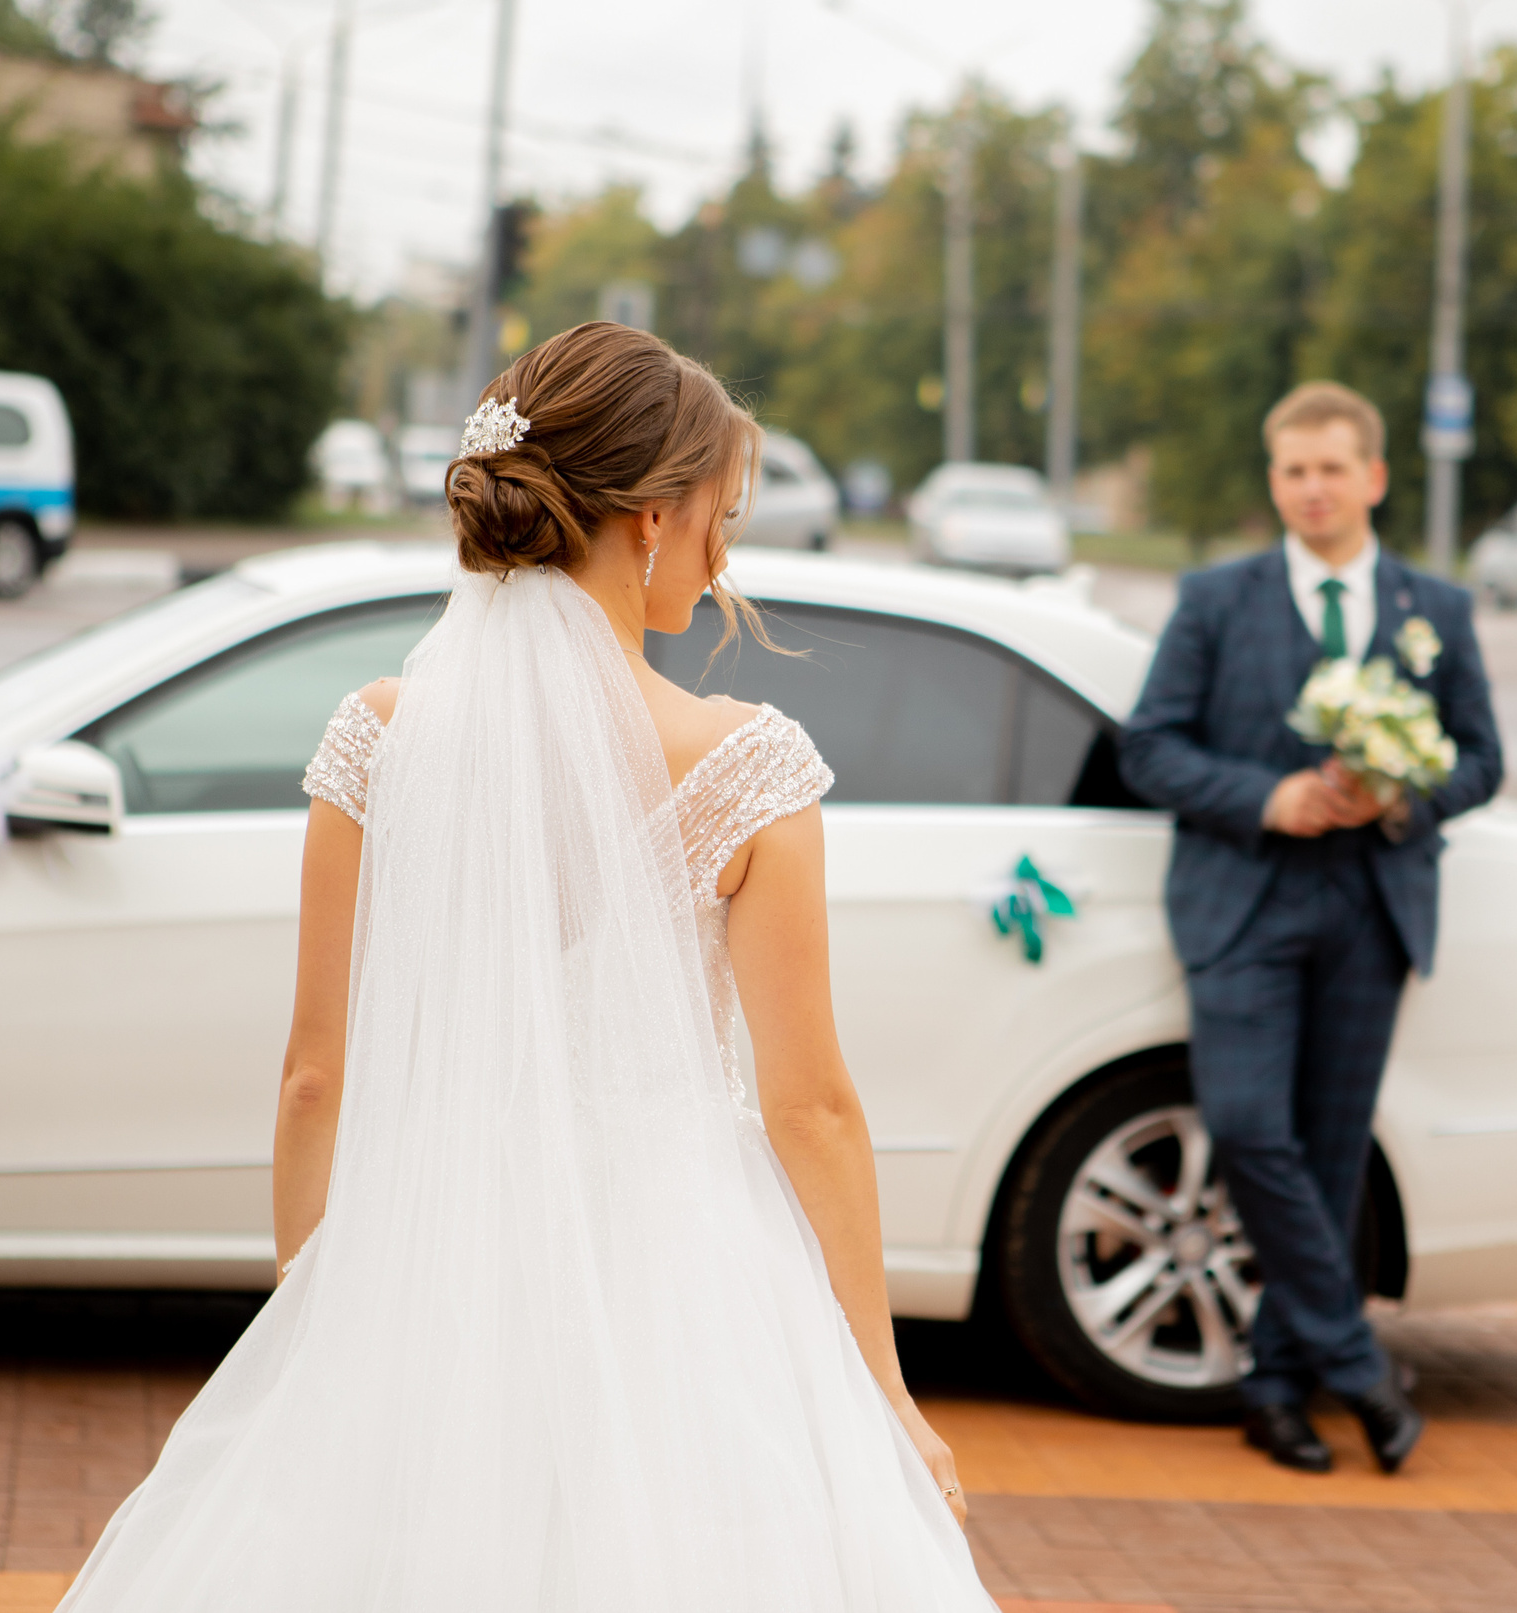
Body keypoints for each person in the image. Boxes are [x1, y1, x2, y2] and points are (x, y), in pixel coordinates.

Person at [56, 323, 995, 1610]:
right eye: (722, 515)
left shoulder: (375, 737)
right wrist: (882, 1389)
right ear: (654, 517)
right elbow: (813, 1110)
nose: (725, 552)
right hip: (680, 1286)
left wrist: (320, 1323)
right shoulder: (748, 766)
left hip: (436, 1260)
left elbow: (315, 1079)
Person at [1119, 382, 1503, 1475]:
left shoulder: (1436, 610)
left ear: (1373, 476)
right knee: (1248, 1126)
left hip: (1370, 908)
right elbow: (1149, 746)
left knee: (1332, 1158)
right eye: (1293, 470)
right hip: (1244, 901)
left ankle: (1278, 1388)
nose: (1312, 488)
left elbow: (1482, 758)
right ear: (1274, 480)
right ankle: (1357, 1361)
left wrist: (1404, 797)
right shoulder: (1215, 599)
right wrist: (1268, 797)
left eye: (1332, 468)